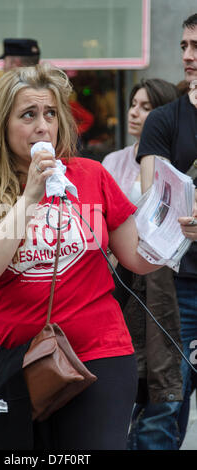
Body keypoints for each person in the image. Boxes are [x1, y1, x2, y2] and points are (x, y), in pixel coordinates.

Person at [0, 62, 179, 450]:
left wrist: (178, 234)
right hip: (3, 359)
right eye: (29, 115)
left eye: (51, 114)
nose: (43, 127)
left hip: (98, 353)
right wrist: (30, 197)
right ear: (1, 125)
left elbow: (138, 259)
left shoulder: (90, 175)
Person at [103, 79, 185, 450]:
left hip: (161, 281)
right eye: (133, 104)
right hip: (122, 282)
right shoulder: (112, 161)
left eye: (146, 106)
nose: (135, 113)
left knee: (163, 393)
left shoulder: (167, 160)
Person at [136, 13, 197, 450]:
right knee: (165, 408)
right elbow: (152, 207)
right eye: (182, 46)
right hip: (177, 288)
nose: (188, 57)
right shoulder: (164, 121)